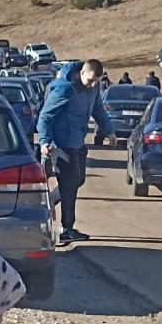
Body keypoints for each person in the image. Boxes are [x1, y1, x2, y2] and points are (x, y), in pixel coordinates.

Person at [36, 59, 114, 245]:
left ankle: (46, 204)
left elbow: (98, 110)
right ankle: (66, 228)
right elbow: (45, 116)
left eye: (97, 81)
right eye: (91, 80)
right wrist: (45, 141)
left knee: (78, 180)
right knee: (69, 185)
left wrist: (109, 130)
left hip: (78, 142)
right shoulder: (64, 89)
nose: (93, 84)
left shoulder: (93, 89)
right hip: (61, 144)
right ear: (82, 73)